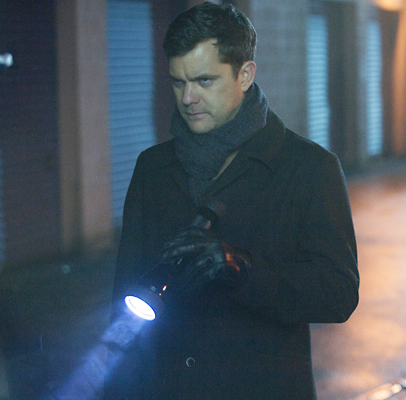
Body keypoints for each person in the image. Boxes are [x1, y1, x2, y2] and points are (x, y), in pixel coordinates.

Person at [104, 2, 359, 399]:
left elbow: (338, 294)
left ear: (245, 75)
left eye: (204, 81)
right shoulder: (152, 168)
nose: (188, 97)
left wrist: (243, 269)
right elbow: (124, 292)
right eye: (178, 82)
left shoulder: (309, 168)